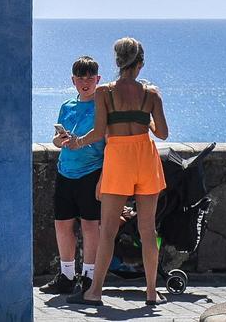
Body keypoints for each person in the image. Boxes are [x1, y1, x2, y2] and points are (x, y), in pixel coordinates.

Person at [68, 38, 169, 307]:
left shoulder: (105, 93)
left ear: (117, 62)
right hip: (145, 159)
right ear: (140, 63)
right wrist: (144, 118)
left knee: (108, 231)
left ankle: (95, 292)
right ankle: (151, 293)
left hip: (118, 160)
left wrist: (76, 142)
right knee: (148, 231)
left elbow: (99, 132)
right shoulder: (151, 94)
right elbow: (163, 133)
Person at [39, 56, 104, 295]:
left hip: (91, 172)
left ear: (98, 79)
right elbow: (58, 138)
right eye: (80, 78)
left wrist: (103, 178)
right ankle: (66, 275)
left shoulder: (102, 106)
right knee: (63, 224)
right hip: (65, 172)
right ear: (73, 80)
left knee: (90, 225)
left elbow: (109, 145)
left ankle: (88, 276)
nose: (85, 82)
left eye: (90, 77)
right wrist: (58, 140)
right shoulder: (67, 105)